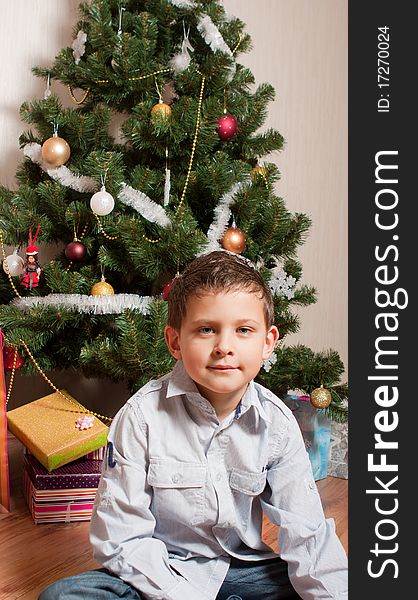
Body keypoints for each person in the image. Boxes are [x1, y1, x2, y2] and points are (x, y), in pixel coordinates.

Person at [39, 250, 348, 600]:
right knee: (65, 596)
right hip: (159, 573)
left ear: (267, 342)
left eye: (244, 330)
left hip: (244, 572)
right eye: (206, 330)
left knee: (318, 585)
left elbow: (307, 536)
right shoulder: (140, 417)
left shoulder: (276, 423)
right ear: (175, 341)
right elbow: (121, 539)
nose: (224, 347)